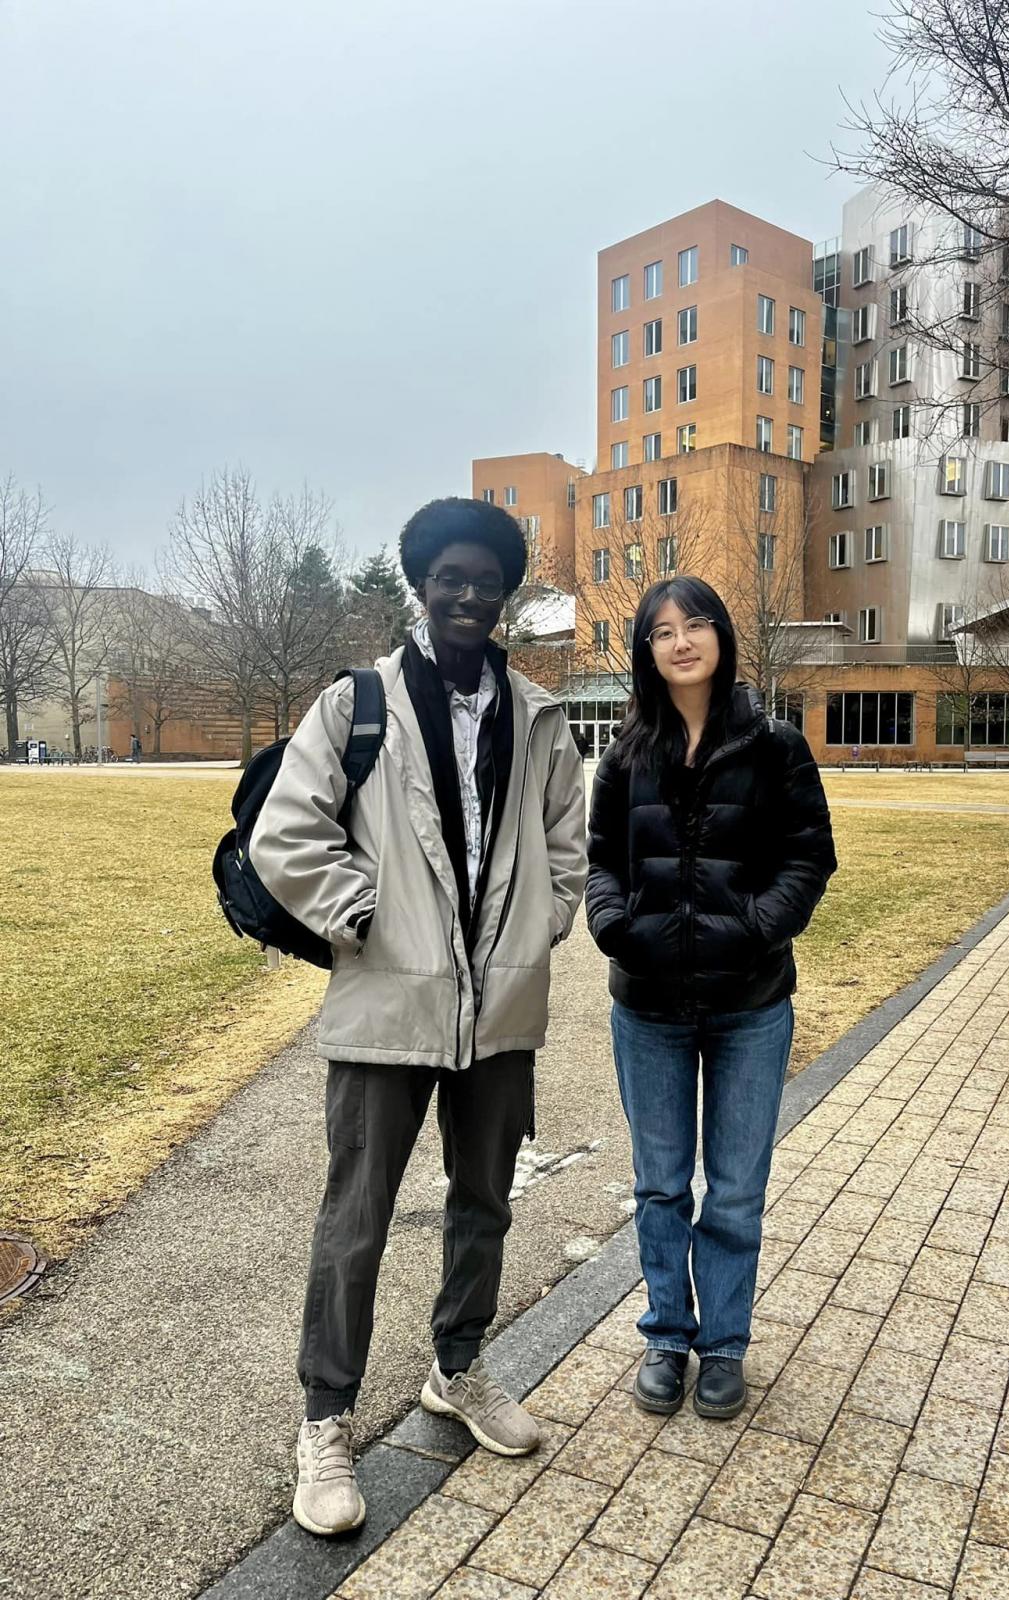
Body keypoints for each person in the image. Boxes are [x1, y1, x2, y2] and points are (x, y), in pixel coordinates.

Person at [250, 497, 587, 1536]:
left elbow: (568, 842)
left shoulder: (537, 715)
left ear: (507, 592)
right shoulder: (357, 703)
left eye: (488, 579)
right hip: (385, 1005)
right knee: (355, 1223)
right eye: (450, 575)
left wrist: (543, 922)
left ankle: (458, 1368)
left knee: (482, 1202)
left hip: (500, 1013)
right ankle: (325, 1420)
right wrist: (366, 916)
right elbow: (288, 830)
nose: (470, 594)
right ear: (420, 584)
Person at [586, 576, 836, 1421]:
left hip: (750, 1005)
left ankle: (723, 1343)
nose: (681, 641)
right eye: (662, 631)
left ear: (722, 637)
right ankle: (666, 1334)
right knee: (660, 1185)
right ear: (646, 652)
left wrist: (754, 928)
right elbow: (599, 863)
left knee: (734, 1188)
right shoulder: (624, 756)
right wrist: (617, 928)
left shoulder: (775, 747)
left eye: (696, 624)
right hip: (647, 1008)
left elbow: (809, 859)